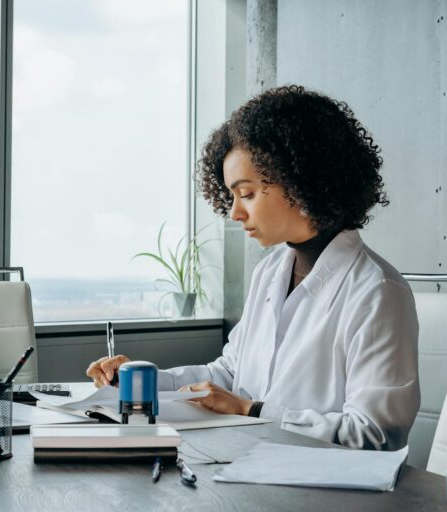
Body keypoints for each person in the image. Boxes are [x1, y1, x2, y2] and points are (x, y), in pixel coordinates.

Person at [87, 85, 420, 451]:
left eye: (246, 194)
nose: (234, 212)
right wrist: (141, 380)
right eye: (231, 196)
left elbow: (375, 435)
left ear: (301, 180)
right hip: (252, 468)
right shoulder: (271, 272)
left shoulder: (377, 292)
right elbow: (229, 376)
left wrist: (253, 410)